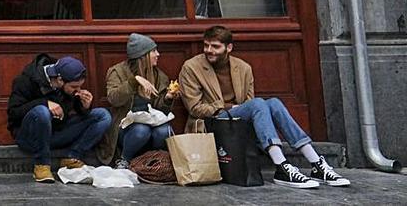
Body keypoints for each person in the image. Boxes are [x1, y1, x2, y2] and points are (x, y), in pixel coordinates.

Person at [179, 25, 350, 189]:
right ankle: (281, 165)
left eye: (215, 46)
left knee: (274, 103)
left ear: (228, 48)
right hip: (212, 121)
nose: (209, 50)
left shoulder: (243, 68)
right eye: (206, 45)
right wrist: (228, 107)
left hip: (238, 121)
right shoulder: (192, 67)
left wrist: (241, 108)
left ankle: (316, 163)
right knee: (259, 104)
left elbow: (250, 104)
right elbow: (195, 108)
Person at [7, 54, 111, 183]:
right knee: (41, 111)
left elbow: (69, 110)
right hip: (30, 138)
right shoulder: (25, 81)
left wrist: (84, 106)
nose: (77, 90)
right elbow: (13, 113)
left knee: (102, 115)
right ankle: (42, 165)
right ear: (60, 80)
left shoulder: (64, 81)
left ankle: (72, 157)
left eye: (79, 87)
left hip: (57, 132)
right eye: (74, 87)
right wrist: (45, 103)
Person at [97, 33, 177, 169]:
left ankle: (154, 162)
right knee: (141, 130)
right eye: (153, 51)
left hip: (151, 122)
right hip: (126, 126)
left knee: (164, 131)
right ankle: (124, 160)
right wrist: (134, 82)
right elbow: (114, 99)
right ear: (143, 55)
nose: (158, 54)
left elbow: (160, 110)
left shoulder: (158, 75)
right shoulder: (118, 72)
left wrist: (168, 99)